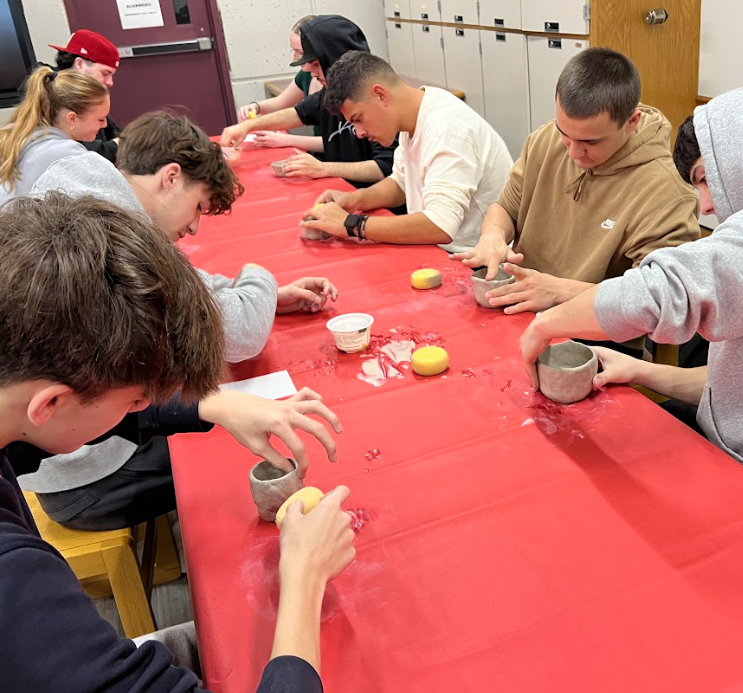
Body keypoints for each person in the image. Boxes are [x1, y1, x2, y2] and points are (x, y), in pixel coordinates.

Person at [0, 192, 355, 692]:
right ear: (49, 403)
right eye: (135, 399)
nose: (143, 407)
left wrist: (211, 403)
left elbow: (67, 421)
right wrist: (303, 580)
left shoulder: (14, 398)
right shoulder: (13, 584)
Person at [16, 111, 340, 531]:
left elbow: (190, 290)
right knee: (245, 450)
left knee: (224, 415)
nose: (194, 227)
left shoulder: (96, 210)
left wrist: (267, 300)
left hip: (77, 447)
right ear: (171, 177)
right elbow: (240, 330)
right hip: (89, 484)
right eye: (199, 207)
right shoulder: (107, 246)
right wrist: (261, 273)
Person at [518, 87, 743, 463]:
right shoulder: (542, 144)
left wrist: (547, 324)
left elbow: (660, 290)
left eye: (707, 179)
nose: (704, 205)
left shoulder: (660, 190)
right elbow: (730, 389)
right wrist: (641, 371)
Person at [451, 47, 700, 315]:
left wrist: (559, 292)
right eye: (564, 134)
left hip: (593, 329)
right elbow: (505, 208)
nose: (573, 153)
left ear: (631, 122)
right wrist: (493, 236)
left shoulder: (667, 192)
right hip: (521, 305)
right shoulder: (544, 139)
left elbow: (656, 298)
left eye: (590, 142)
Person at [300, 51, 513, 253]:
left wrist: (350, 224)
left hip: (476, 261)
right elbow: (401, 184)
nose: (359, 133)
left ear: (380, 95)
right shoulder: (413, 112)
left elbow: (440, 225)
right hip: (444, 249)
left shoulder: (445, 130)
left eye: (358, 119)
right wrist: (355, 200)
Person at [221, 15, 397, 187]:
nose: (311, 73)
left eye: (316, 65)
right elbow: (299, 113)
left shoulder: (373, 98)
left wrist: (323, 168)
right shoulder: (331, 93)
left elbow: (385, 167)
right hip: (343, 188)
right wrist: (248, 126)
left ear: (338, 60)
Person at [0, 66, 109, 203]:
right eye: (100, 119)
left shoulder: (19, 139)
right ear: (72, 119)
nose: (105, 124)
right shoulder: (66, 154)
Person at [237, 16, 324, 153]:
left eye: (300, 52)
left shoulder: (342, 86)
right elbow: (281, 102)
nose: (295, 58)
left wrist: (286, 140)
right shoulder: (306, 74)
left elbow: (339, 142)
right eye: (293, 51)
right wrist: (256, 107)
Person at [49, 29, 122, 162]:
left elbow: (114, 132)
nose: (110, 82)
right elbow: (90, 155)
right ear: (79, 64)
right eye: (105, 74)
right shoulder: (51, 100)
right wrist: (121, 143)